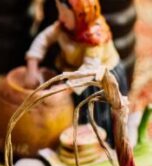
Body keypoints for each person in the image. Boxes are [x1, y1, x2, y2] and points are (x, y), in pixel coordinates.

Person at [24, 0, 127, 142]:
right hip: (72, 74)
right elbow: (44, 38)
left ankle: (97, 145)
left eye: (65, 14)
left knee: (94, 118)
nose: (60, 18)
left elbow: (90, 70)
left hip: (97, 81)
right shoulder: (63, 26)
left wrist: (63, 90)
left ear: (80, 15)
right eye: (59, 11)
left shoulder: (94, 35)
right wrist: (32, 66)